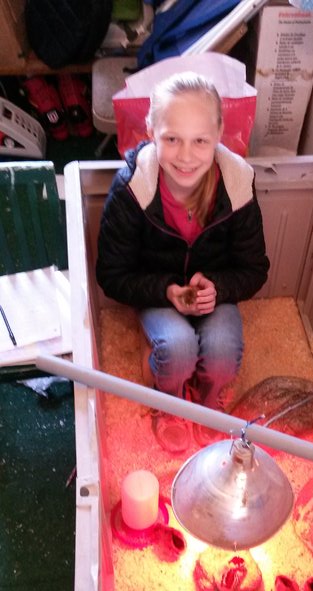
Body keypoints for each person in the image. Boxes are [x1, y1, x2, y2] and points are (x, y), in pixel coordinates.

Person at [96, 71, 270, 453]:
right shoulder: (132, 189)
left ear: (219, 135)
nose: (186, 156)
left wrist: (218, 288)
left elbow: (255, 268)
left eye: (200, 141)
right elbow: (111, 274)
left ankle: (208, 401)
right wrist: (165, 290)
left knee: (222, 356)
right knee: (178, 352)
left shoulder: (238, 184)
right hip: (158, 290)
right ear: (150, 131)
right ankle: (170, 401)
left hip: (214, 292)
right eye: (172, 139)